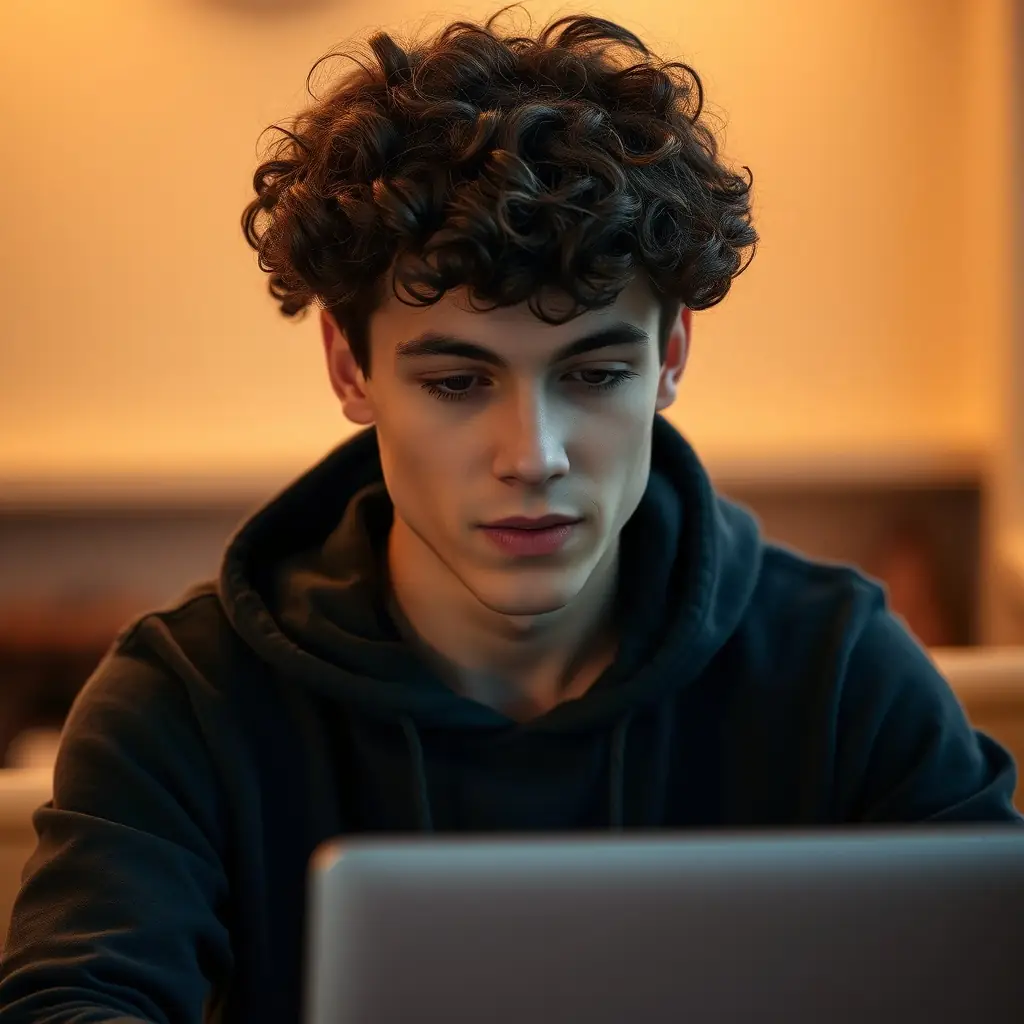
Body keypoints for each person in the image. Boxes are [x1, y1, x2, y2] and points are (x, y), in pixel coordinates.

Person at [0, 10, 1019, 1023]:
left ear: (671, 359)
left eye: (594, 373)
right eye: (455, 382)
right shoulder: (182, 700)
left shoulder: (835, 666)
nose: (532, 455)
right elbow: (71, 1005)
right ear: (348, 367)